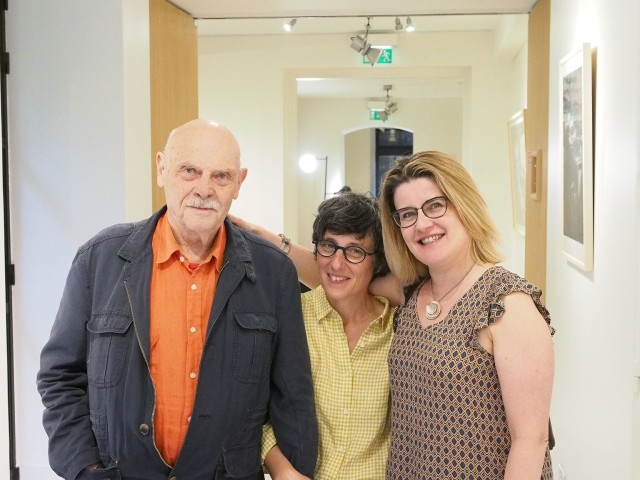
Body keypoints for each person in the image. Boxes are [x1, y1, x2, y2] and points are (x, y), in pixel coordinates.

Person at [37, 119, 318, 480]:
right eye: (190, 171)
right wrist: (83, 467)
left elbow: (293, 397)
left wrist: (295, 470)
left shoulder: (273, 272)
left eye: (221, 176)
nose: (204, 189)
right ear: (161, 169)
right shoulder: (100, 259)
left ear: (239, 182)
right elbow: (60, 376)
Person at [378, 151, 555, 479]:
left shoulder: (506, 303)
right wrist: (278, 244)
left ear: (464, 205)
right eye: (407, 214)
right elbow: (344, 279)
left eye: (435, 206)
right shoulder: (410, 294)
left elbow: (531, 441)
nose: (422, 224)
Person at [230, 190, 394, 479]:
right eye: (328, 246)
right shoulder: (290, 318)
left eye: (355, 251)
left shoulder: (397, 329)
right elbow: (255, 412)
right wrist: (283, 471)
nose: (337, 264)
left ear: (377, 262)